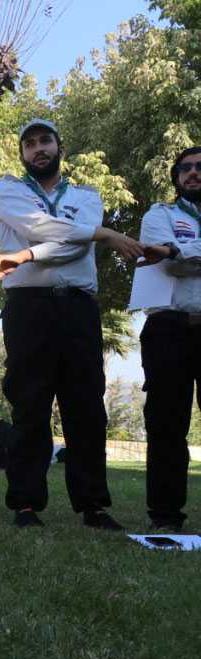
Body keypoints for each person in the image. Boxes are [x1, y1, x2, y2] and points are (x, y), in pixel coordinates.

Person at [0, 118, 154, 530]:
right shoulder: (8, 190)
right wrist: (100, 234)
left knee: (86, 407)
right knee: (29, 404)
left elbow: (73, 247)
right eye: (29, 144)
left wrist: (32, 253)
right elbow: (39, 228)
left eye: (45, 141)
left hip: (78, 307)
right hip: (28, 307)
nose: (38, 149)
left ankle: (93, 506)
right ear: (22, 154)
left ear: (59, 148)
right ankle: (25, 505)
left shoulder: (86, 196)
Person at [134, 145, 201, 533]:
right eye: (185, 168)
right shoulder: (159, 215)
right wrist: (174, 254)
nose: (192, 172)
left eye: (199, 167)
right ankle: (165, 515)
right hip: (168, 329)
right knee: (166, 424)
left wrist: (175, 249)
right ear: (176, 177)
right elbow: (169, 265)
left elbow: (173, 256)